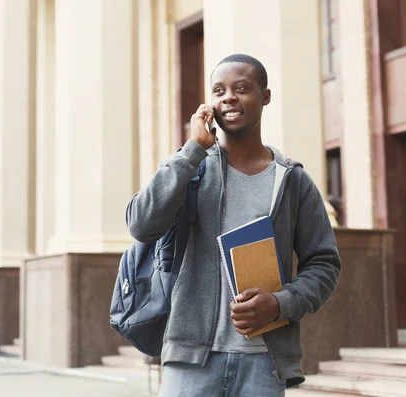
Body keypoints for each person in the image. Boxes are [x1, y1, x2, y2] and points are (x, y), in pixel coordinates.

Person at [125, 54, 341, 396]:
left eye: (241, 88)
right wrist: (193, 149)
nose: (228, 97)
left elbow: (324, 264)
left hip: (264, 363)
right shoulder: (190, 167)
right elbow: (141, 224)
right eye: (219, 90)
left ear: (265, 96)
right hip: (191, 359)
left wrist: (280, 303)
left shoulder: (293, 181)